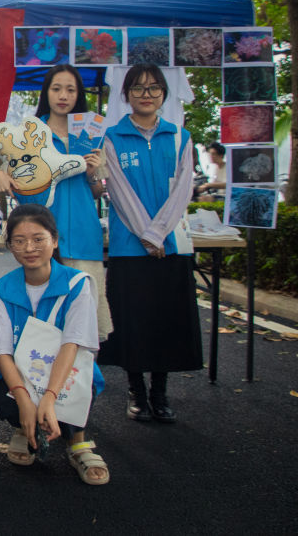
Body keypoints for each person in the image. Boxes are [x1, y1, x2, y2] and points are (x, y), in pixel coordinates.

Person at [98, 64, 202, 424]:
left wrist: (158, 234)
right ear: (126, 94)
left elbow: (183, 190)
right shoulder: (111, 137)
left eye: (154, 87)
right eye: (139, 88)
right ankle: (136, 392)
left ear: (163, 94)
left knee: (165, 321)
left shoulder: (180, 137)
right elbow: (118, 191)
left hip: (171, 245)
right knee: (132, 321)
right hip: (130, 247)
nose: (147, 94)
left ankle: (160, 391)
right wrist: (147, 235)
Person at [0, 204, 109, 485]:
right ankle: (22, 427)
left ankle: (77, 441)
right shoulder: (3, 288)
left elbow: (72, 345)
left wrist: (49, 396)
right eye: (19, 241)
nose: (29, 248)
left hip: (64, 371)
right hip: (22, 374)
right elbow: (2, 352)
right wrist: (24, 399)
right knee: (11, 400)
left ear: (54, 240)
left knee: (76, 384)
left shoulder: (77, 284)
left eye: (38, 239)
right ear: (10, 246)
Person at [0, 64, 112, 339]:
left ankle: (83, 367)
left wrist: (93, 174)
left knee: (85, 318)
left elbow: (96, 191)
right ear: (46, 92)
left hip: (83, 233)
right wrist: (0, 175)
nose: (63, 96)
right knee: (43, 318)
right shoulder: (29, 132)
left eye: (70, 90)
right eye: (56, 89)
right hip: (39, 234)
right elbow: (5, 170)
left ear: (79, 94)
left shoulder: (91, 133)